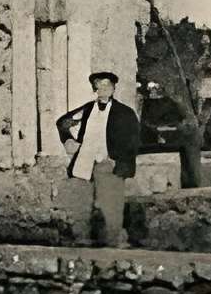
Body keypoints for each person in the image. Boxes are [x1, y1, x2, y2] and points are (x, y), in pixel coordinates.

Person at [56, 71, 145, 243]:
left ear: (113, 88)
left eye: (107, 85)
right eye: (100, 85)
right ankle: (85, 242)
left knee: (112, 206)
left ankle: (114, 244)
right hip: (86, 165)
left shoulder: (124, 113)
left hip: (110, 165)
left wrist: (118, 160)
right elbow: (63, 122)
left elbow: (134, 141)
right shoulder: (87, 109)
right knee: (84, 205)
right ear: (95, 88)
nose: (103, 89)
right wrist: (68, 139)